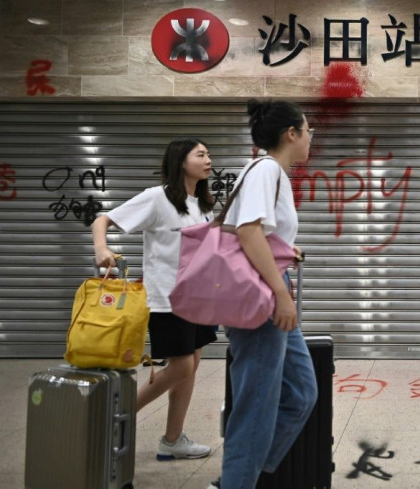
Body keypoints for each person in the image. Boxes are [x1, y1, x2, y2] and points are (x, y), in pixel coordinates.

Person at [214, 99, 318, 489]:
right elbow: (248, 231)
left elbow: (261, 234)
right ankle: (237, 482)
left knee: (302, 393)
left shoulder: (275, 174)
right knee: (256, 405)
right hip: (262, 294)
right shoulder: (266, 169)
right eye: (308, 130)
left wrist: (287, 253)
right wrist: (281, 293)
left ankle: (241, 475)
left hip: (271, 285)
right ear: (290, 134)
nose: (310, 138)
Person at [92, 137, 217, 460]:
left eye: (208, 154)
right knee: (181, 366)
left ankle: (173, 440)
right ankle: (113, 417)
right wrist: (102, 248)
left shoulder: (202, 204)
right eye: (200, 154)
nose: (208, 160)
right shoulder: (156, 198)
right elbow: (102, 220)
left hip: (198, 299)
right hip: (166, 298)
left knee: (192, 363)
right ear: (180, 161)